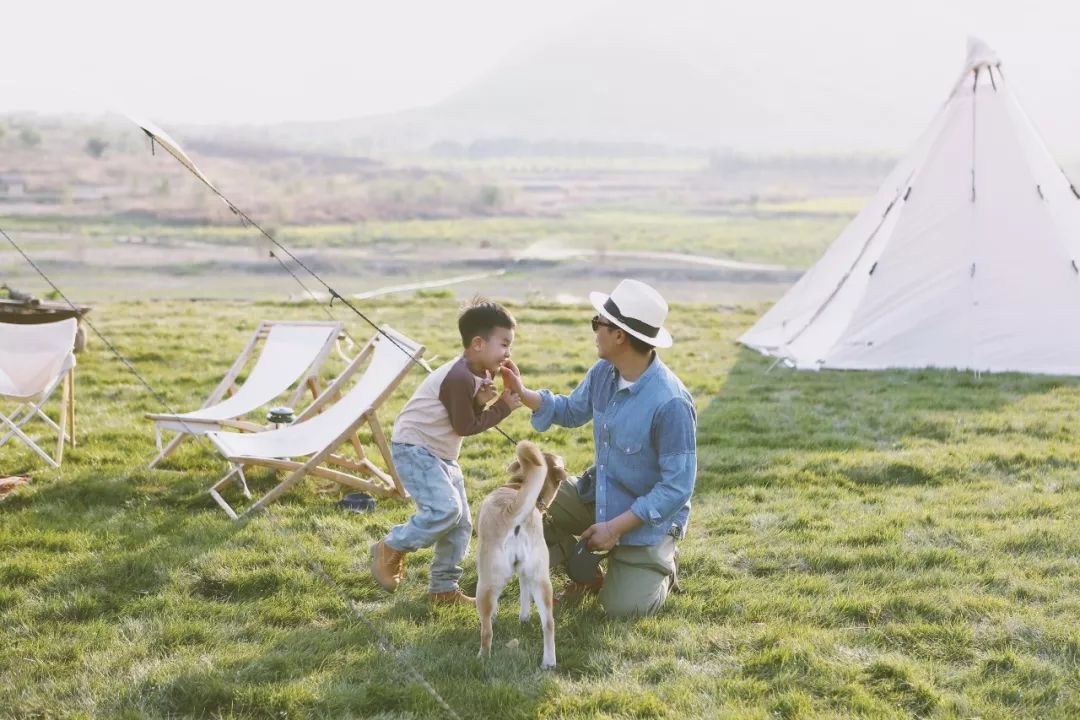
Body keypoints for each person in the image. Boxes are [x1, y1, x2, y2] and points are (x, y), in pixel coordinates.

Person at [502, 279, 696, 617]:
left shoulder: (671, 404)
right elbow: (570, 410)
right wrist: (523, 393)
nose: (594, 330)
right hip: (600, 494)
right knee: (516, 504)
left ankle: (660, 562)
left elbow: (676, 488)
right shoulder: (605, 372)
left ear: (619, 335)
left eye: (598, 323)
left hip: (647, 521)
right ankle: (585, 572)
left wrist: (614, 529)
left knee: (623, 610)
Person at [370, 299, 522, 605]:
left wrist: (480, 401)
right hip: (416, 448)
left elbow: (462, 416)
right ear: (478, 343)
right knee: (445, 511)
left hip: (441, 453)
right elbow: (465, 426)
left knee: (461, 523)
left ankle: (442, 589)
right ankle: (391, 546)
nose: (508, 353)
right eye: (504, 344)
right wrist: (502, 407)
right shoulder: (459, 376)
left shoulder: (475, 372)